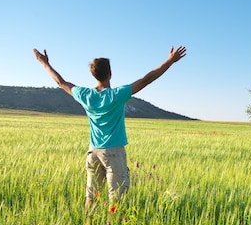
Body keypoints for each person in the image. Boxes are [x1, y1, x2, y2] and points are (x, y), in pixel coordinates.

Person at [33, 45, 187, 213]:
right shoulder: (117, 95)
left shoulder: (86, 96)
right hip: (113, 153)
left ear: (93, 74)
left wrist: (44, 63)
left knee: (91, 198)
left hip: (93, 153)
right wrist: (170, 61)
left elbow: (61, 82)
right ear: (110, 73)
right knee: (117, 200)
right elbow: (146, 80)